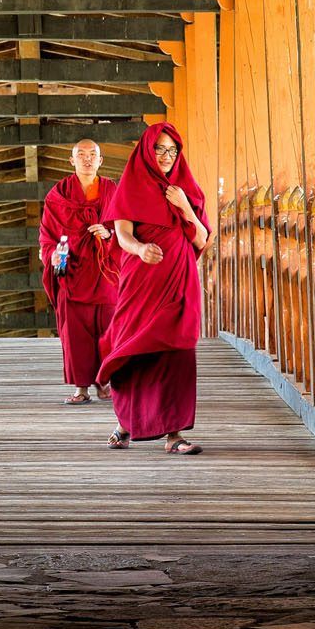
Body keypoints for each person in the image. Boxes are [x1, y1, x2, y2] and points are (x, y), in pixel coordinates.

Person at [97, 122, 209, 454]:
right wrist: (140, 250)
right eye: (159, 148)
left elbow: (201, 238)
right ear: (147, 150)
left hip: (179, 282)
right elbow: (122, 235)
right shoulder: (131, 185)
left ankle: (174, 435)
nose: (166, 156)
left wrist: (185, 205)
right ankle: (126, 423)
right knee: (135, 350)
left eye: (172, 151)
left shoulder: (185, 188)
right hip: (141, 282)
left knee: (177, 351)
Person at [39, 140, 120, 405]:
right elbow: (47, 235)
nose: (88, 160)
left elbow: (126, 226)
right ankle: (81, 387)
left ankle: (105, 381)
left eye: (93, 155)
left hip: (105, 271)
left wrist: (108, 233)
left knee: (108, 328)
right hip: (72, 271)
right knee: (74, 333)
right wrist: (53, 253)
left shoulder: (112, 190)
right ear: (71, 161)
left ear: (101, 160)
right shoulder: (58, 195)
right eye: (81, 155)